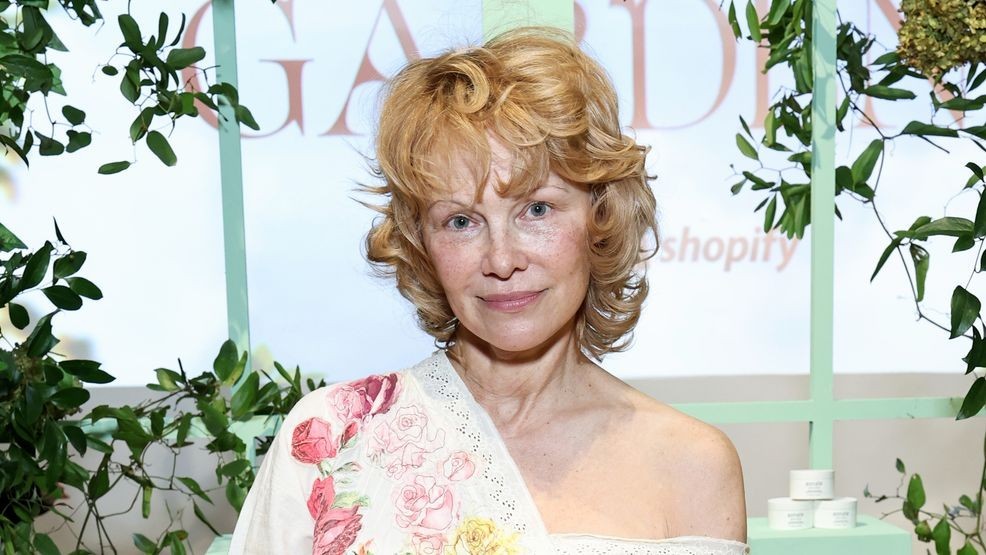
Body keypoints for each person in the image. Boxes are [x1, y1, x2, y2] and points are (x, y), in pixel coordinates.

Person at [230, 26, 748, 555]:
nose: (501, 260)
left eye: (537, 209)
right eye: (460, 221)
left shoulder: (692, 465)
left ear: (601, 216)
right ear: (421, 241)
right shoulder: (332, 439)